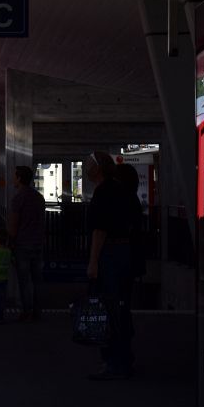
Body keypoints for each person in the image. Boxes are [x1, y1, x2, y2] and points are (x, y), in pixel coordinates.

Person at [85, 151, 136, 380]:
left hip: (110, 254)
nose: (86, 166)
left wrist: (93, 261)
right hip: (125, 253)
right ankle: (124, 359)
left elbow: (100, 230)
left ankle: (114, 363)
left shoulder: (103, 192)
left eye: (90, 163)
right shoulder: (122, 189)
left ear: (98, 168)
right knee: (122, 308)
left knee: (109, 306)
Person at [7, 166, 46, 321]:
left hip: (22, 244)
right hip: (38, 243)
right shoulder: (39, 197)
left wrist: (10, 241)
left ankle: (26, 311)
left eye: (14, 176)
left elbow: (14, 225)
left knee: (24, 281)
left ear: (20, 178)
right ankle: (37, 312)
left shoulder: (18, 198)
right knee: (37, 280)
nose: (12, 179)